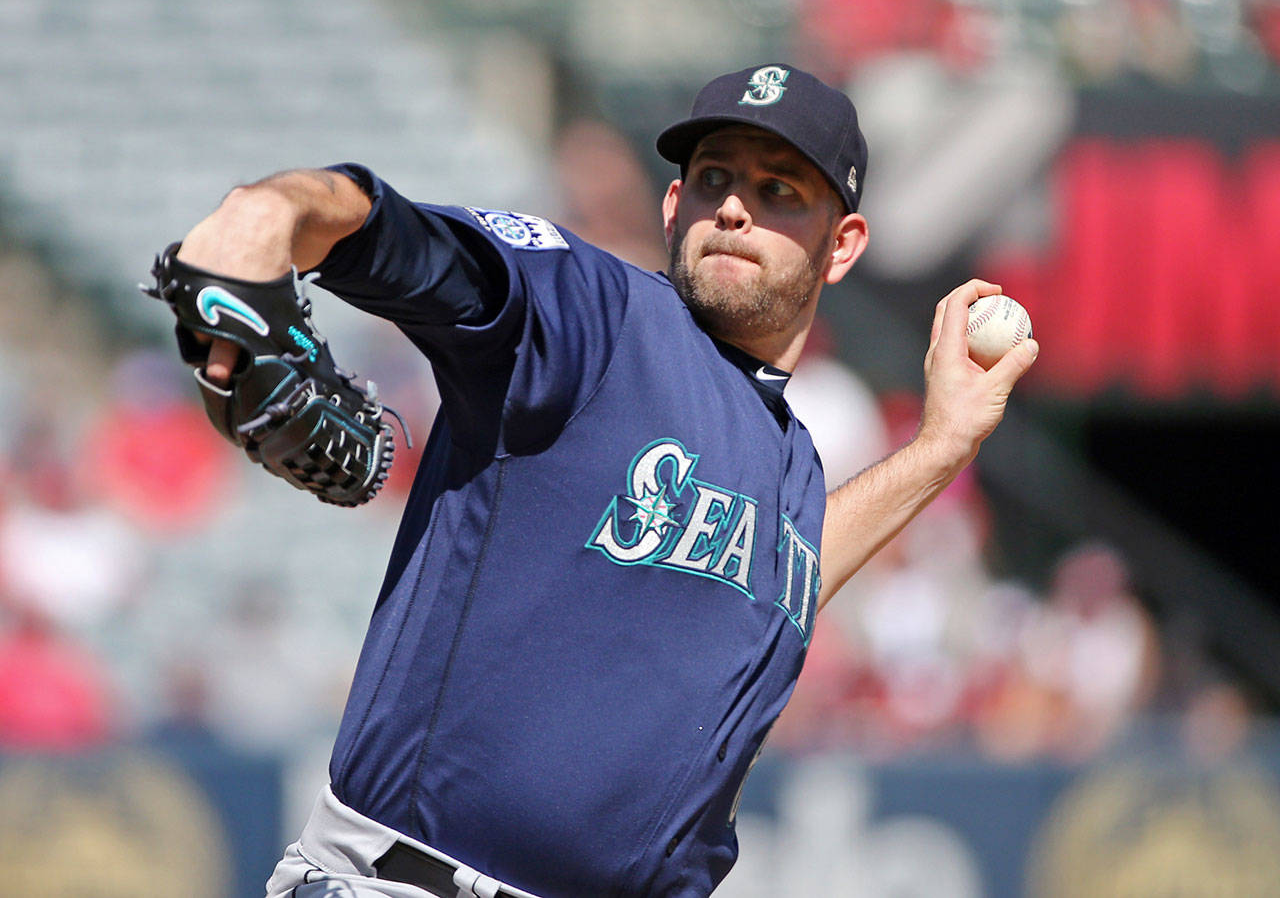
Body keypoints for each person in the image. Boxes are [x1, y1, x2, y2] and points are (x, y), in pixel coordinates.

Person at [172, 63, 1037, 898]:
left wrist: (940, 447)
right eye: (712, 179)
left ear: (841, 245)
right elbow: (403, 242)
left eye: (780, 191)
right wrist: (275, 209)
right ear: (673, 204)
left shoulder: (791, 457)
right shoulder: (593, 315)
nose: (734, 207)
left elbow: (789, 566)